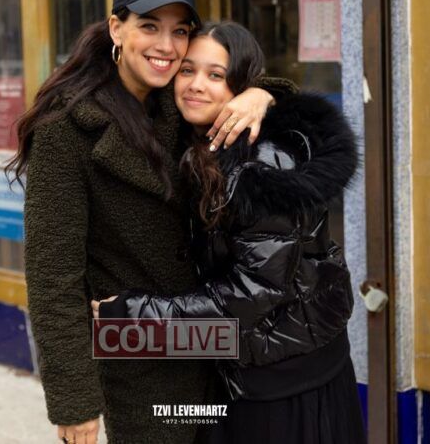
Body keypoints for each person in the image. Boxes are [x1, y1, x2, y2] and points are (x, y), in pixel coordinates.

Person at [8, 0, 286, 444]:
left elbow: (249, 83)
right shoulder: (65, 130)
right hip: (137, 359)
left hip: (211, 348)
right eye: (150, 26)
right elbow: (53, 278)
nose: (166, 46)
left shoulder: (180, 101)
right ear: (117, 28)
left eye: (179, 31)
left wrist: (262, 94)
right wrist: (75, 403)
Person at [93, 22, 365, 444]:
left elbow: (252, 294)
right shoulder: (201, 144)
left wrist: (134, 318)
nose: (196, 85)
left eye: (216, 75)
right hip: (243, 366)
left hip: (286, 383)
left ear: (240, 86)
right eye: (187, 70)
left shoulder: (262, 163)